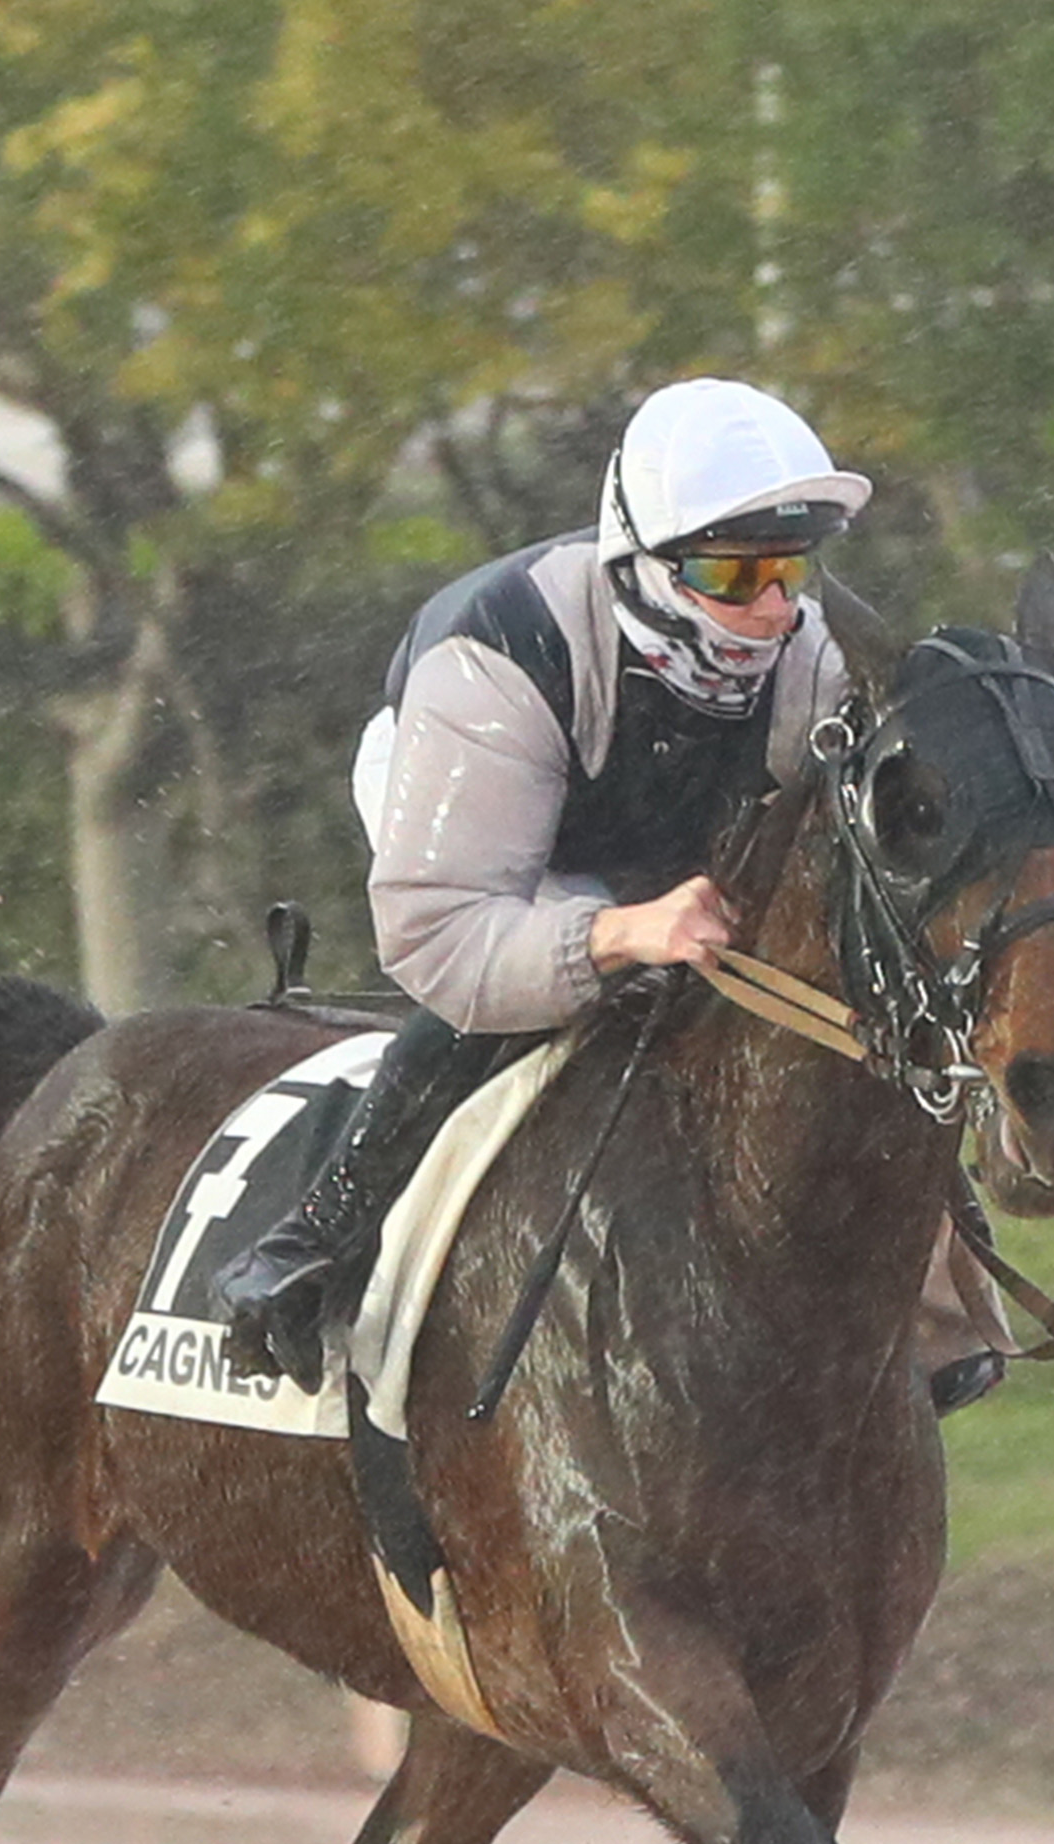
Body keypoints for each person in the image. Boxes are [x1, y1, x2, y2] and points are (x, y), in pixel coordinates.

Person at [213, 377, 864, 1389]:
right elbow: (446, 938)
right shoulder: (499, 650)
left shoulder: (806, 657)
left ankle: (943, 1306)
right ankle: (310, 1246)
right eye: (736, 576)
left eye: (788, 569)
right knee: (520, 989)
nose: (773, 608)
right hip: (476, 827)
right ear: (649, 568)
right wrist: (618, 934)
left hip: (648, 836)